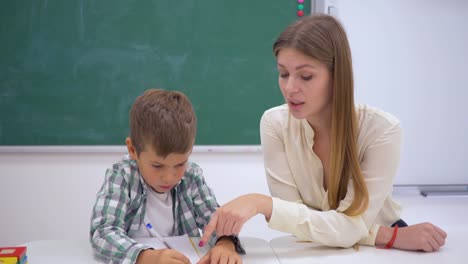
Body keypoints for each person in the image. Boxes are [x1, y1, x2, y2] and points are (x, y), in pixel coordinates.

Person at [199, 14, 447, 252]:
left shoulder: (382, 131)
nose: (289, 87)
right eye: (283, 73)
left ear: (337, 75)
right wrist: (386, 236)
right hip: (368, 241)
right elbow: (296, 223)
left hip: (384, 252)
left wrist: (261, 203)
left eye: (305, 76)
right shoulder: (274, 123)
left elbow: (314, 222)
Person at [90, 89, 244, 264]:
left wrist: (225, 243)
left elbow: (216, 221)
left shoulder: (191, 176)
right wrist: (146, 257)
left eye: (179, 164)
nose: (169, 177)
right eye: (157, 166)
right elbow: (103, 232)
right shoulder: (122, 177)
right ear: (133, 150)